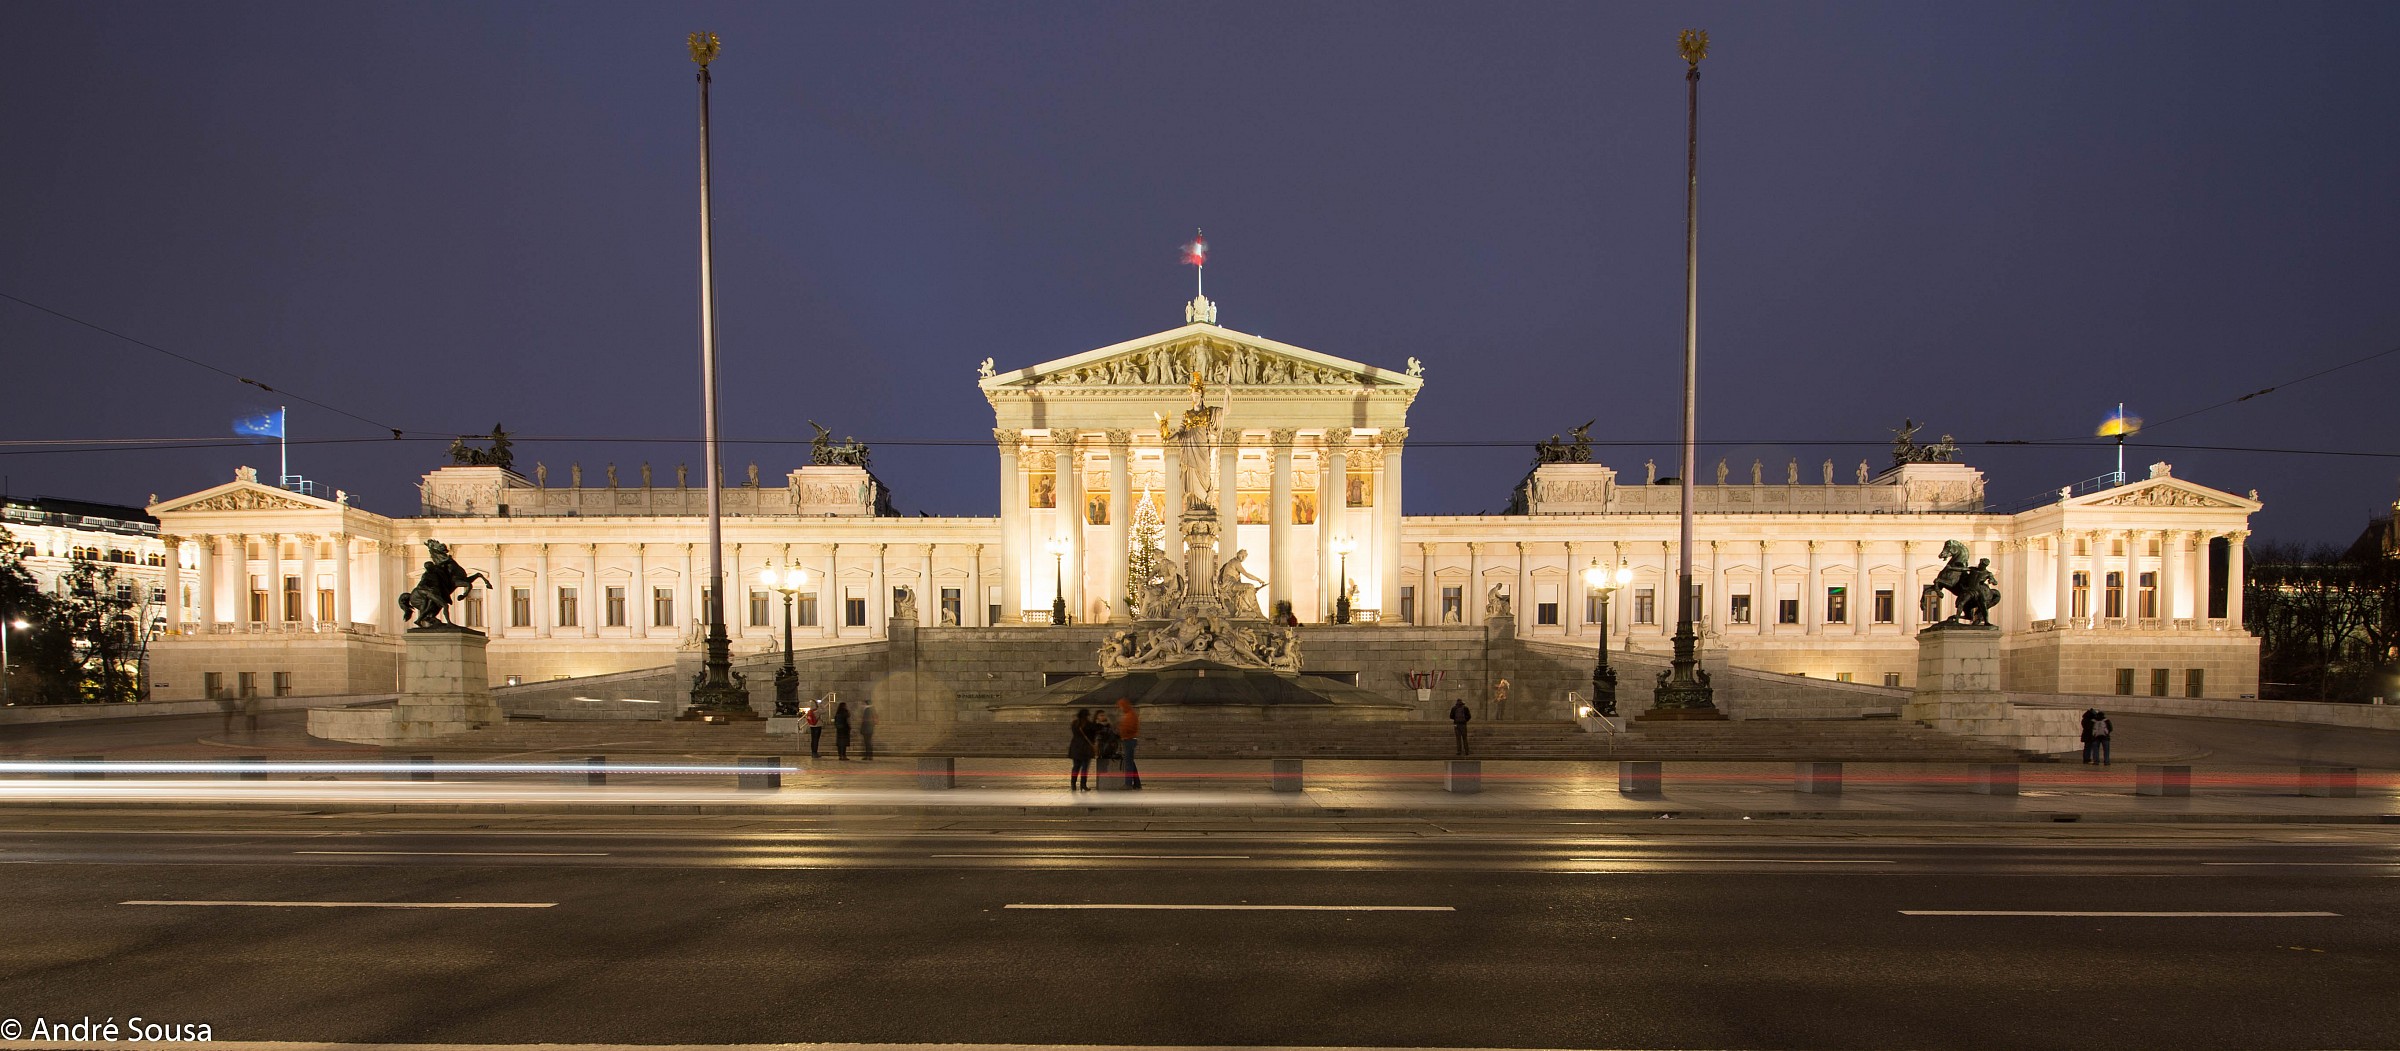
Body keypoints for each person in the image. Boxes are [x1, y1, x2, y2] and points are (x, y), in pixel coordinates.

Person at [1115, 698, 1143, 789]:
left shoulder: (1130, 715)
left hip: (1129, 740)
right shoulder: (1129, 714)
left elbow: (1127, 729)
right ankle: (1137, 783)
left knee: (1128, 763)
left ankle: (1128, 784)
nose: (1120, 709)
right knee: (1130, 762)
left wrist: (1120, 730)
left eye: (1120, 706)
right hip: (1129, 740)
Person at [1068, 709, 1095, 790]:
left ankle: (1073, 784)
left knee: (1076, 767)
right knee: (1084, 767)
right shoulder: (1089, 724)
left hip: (1075, 747)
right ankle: (1083, 784)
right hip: (1085, 748)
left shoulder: (1075, 724)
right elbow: (1092, 736)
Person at [1092, 713, 1120, 783]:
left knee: (1104, 767)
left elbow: (1098, 741)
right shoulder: (1106, 727)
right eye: (1101, 715)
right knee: (1104, 767)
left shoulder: (1104, 727)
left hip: (1105, 750)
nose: (1103, 716)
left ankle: (1103, 781)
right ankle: (1104, 781)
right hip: (1107, 750)